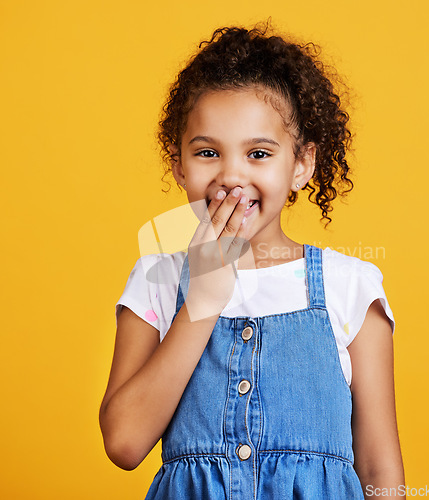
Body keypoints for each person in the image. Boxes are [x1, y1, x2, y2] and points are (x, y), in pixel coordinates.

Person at [99, 22, 405, 499]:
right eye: (207, 152)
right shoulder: (157, 280)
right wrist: (202, 301)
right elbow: (124, 442)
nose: (231, 175)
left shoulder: (352, 286)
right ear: (179, 165)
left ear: (301, 165)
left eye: (258, 153)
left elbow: (378, 465)